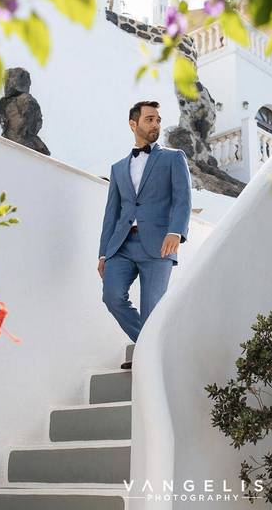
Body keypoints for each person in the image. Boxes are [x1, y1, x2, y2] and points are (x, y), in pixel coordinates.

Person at [97, 101, 192, 369]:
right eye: (149, 119)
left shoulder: (174, 158)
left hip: (160, 243)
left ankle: (146, 355)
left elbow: (183, 199)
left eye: (158, 120)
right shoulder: (117, 168)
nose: (156, 125)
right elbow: (111, 213)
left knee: (153, 311)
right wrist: (104, 252)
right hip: (122, 244)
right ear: (133, 124)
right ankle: (151, 349)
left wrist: (176, 232)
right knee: (112, 296)